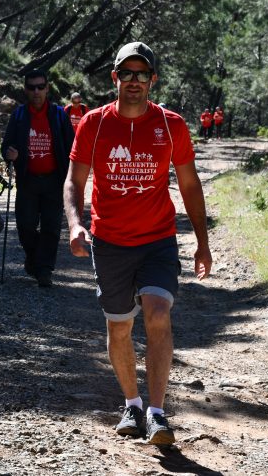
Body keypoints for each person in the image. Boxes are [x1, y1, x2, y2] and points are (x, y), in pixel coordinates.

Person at [64, 42, 212, 445]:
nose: (134, 81)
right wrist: (77, 224)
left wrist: (202, 241)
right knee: (120, 326)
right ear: (114, 78)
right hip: (109, 241)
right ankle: (131, 403)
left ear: (153, 80)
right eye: (126, 73)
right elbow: (74, 182)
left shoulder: (171, 125)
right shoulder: (93, 124)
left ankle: (158, 413)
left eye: (141, 74)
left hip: (157, 239)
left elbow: (189, 184)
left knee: (159, 312)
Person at [1, 69, 74, 287]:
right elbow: (6, 145)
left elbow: (73, 146)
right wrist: (9, 153)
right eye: (31, 87)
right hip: (28, 180)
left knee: (51, 227)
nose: (36, 91)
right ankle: (33, 258)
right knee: (25, 226)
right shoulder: (19, 115)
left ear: (47, 89)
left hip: (54, 180)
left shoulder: (59, 115)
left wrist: (73, 177)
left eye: (40, 86)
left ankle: (44, 270)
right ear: (25, 90)